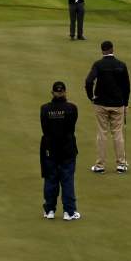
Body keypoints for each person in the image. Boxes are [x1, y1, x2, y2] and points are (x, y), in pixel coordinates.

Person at [85, 40, 130, 174]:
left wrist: (91, 97)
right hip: (118, 104)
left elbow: (88, 81)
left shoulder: (98, 65)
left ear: (102, 50)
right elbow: (127, 87)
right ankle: (121, 164)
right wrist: (125, 103)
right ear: (112, 49)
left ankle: (100, 165)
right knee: (117, 133)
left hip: (101, 104)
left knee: (102, 133)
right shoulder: (121, 65)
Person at [40, 80, 80, 220]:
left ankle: (49, 210)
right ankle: (69, 212)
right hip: (67, 149)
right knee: (67, 180)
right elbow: (72, 127)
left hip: (50, 149)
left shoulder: (45, 109)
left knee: (51, 179)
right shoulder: (72, 108)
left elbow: (44, 128)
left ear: (52, 93)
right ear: (65, 92)